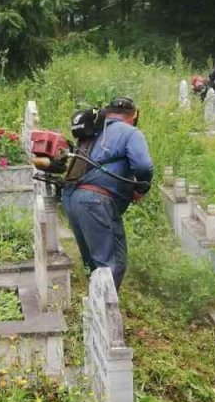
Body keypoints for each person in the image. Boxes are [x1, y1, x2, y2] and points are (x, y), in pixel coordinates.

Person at [61, 97, 155, 290]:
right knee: (111, 266)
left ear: (108, 112)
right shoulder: (131, 132)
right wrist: (140, 188)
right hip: (96, 201)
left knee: (95, 266)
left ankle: (96, 305)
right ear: (134, 115)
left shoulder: (94, 129)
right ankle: (106, 307)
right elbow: (143, 166)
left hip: (73, 199)